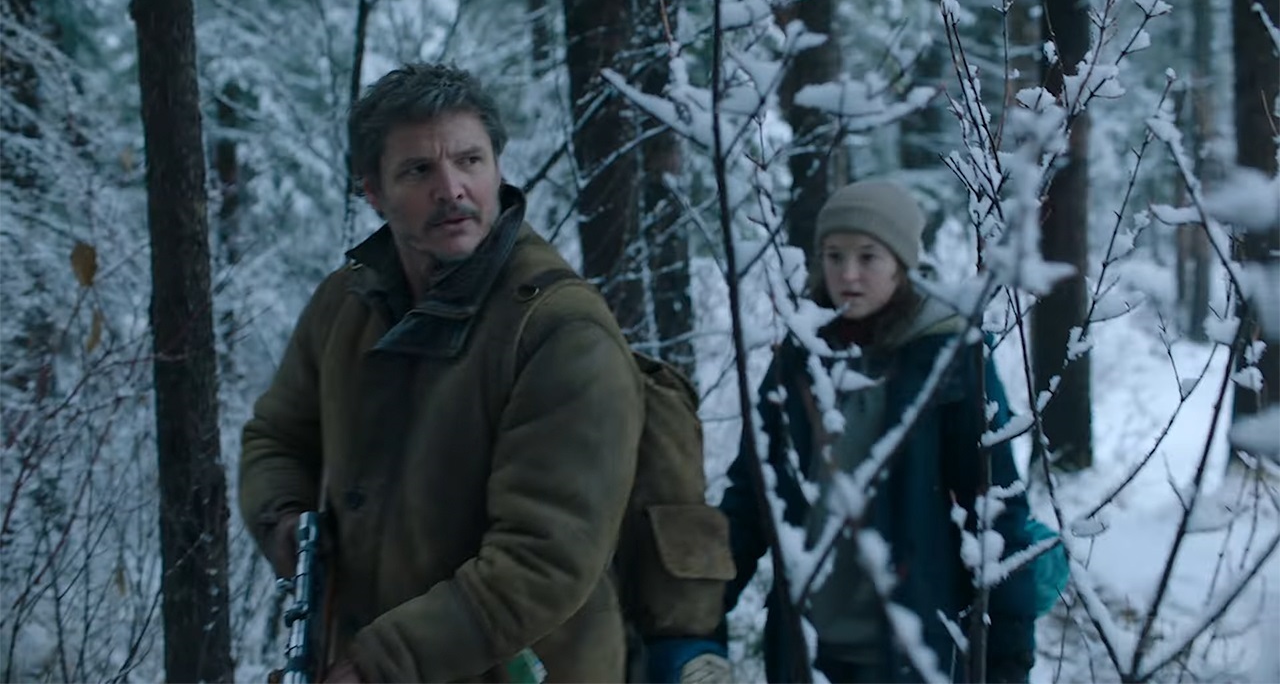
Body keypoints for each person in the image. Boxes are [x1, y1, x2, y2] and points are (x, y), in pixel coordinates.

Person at [240, 63, 669, 683]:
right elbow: (277, 436)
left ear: (497, 167)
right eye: (418, 170)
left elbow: (543, 562)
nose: (451, 189)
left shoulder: (561, 333)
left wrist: (379, 666)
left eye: (470, 161)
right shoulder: (345, 305)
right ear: (373, 191)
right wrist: (285, 522)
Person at [717, 180, 1039, 683]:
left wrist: (1007, 658)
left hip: (914, 652)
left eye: (868, 256)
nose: (848, 274)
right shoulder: (798, 359)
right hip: (806, 652)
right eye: (834, 256)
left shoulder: (950, 358)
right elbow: (750, 499)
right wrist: (692, 617)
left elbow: (997, 512)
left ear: (900, 263)